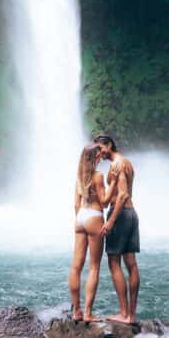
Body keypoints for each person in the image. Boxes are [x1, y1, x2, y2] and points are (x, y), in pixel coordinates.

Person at [95, 134, 140, 324]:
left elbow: (121, 196)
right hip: (131, 213)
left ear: (109, 145)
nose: (99, 153)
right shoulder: (127, 162)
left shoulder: (117, 165)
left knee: (114, 262)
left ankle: (124, 313)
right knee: (131, 263)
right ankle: (131, 314)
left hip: (120, 215)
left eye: (100, 148)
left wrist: (111, 221)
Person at [69, 142, 114, 322]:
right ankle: (88, 313)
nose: (101, 157)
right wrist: (113, 183)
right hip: (94, 216)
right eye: (99, 155)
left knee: (76, 266)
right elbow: (104, 202)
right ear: (95, 157)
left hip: (80, 218)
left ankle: (76, 312)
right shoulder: (98, 176)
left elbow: (76, 204)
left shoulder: (79, 177)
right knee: (94, 266)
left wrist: (80, 219)